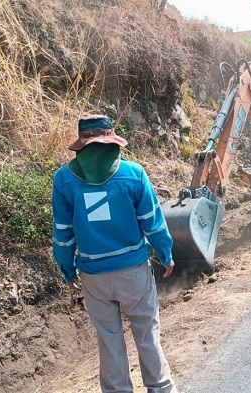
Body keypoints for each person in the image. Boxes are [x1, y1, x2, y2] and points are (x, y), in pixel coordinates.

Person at [52, 114, 178, 393]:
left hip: (93, 276)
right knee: (146, 332)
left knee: (108, 339)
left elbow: (62, 234)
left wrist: (67, 269)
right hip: (133, 271)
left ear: (81, 145)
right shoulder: (133, 173)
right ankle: (161, 388)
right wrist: (165, 254)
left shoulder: (64, 179)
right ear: (112, 141)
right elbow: (153, 221)